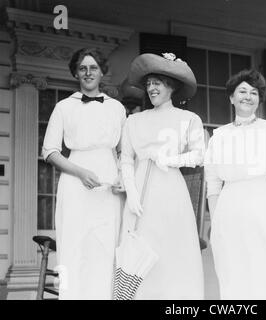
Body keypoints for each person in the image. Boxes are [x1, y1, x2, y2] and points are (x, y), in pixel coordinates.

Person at [42, 48, 127, 299]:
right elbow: (50, 151)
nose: (88, 73)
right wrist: (80, 172)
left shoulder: (117, 108)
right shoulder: (64, 107)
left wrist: (122, 176)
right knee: (75, 245)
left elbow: (124, 152)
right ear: (76, 73)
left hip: (108, 184)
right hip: (75, 183)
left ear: (102, 72)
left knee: (105, 246)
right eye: (82, 68)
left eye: (93, 68)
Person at [204, 69, 266, 299]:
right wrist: (216, 220)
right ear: (231, 97)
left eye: (254, 92)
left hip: (264, 202)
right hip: (229, 206)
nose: (248, 96)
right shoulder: (219, 137)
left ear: (259, 99)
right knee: (233, 269)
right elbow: (213, 184)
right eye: (242, 91)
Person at [120, 52, 205, 299]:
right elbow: (126, 159)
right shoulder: (134, 121)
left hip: (170, 190)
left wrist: (170, 160)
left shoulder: (188, 119)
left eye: (157, 83)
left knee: (171, 252)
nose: (151, 88)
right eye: (148, 84)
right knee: (139, 252)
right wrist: (132, 192)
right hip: (140, 191)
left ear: (171, 85)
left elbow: (199, 155)